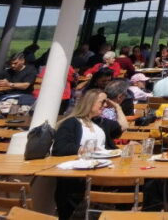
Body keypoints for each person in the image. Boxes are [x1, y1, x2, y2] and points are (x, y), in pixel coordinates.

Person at [51, 89, 122, 220]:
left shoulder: (98, 123)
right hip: (79, 177)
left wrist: (117, 107)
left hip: (101, 172)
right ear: (90, 103)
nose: (105, 105)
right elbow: (59, 148)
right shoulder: (72, 123)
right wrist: (85, 149)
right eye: (102, 102)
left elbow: (121, 127)